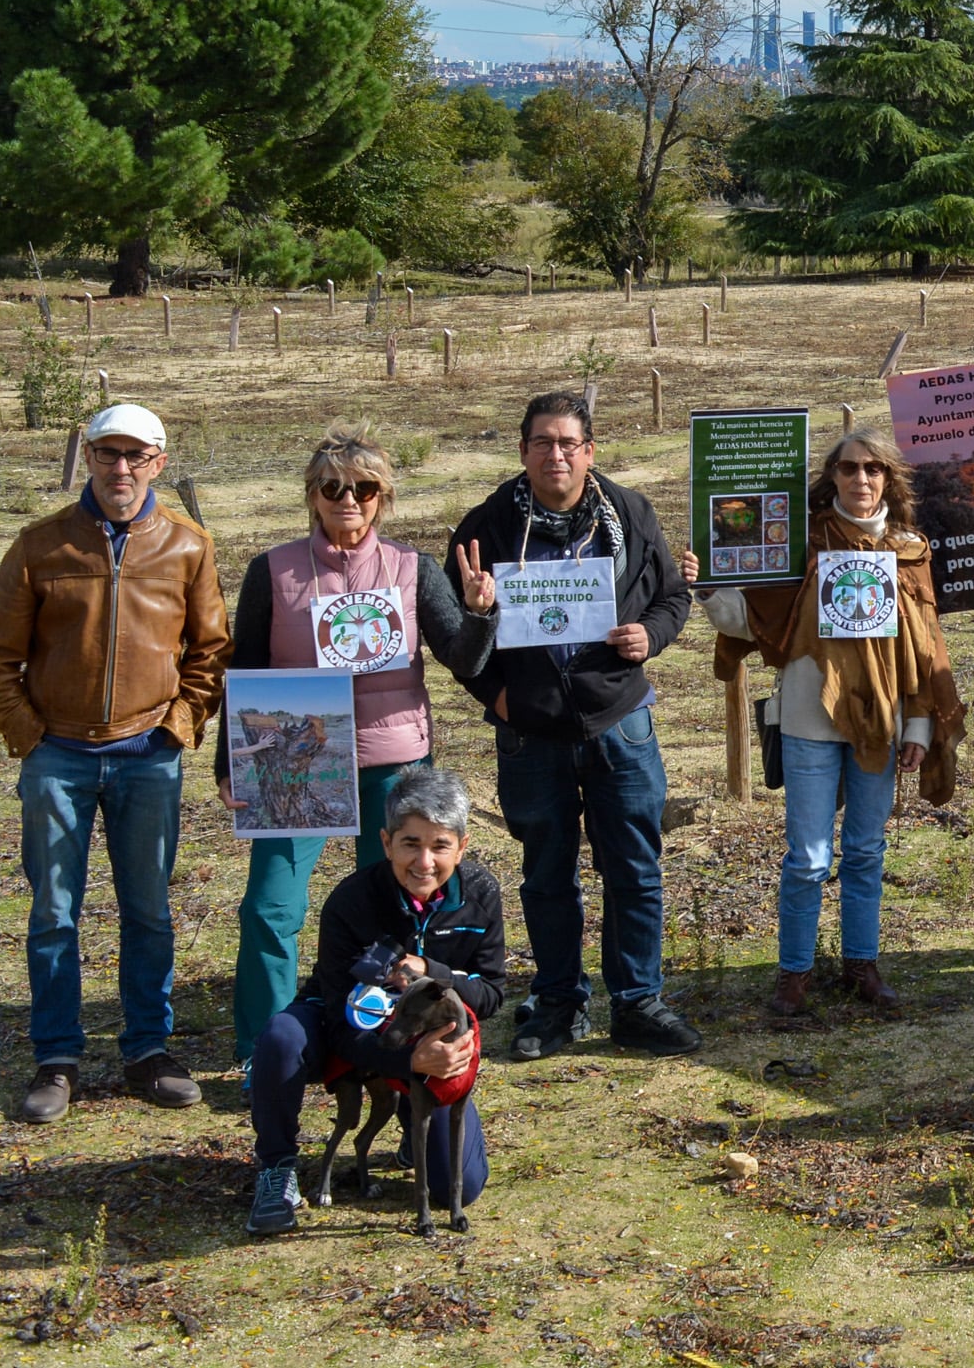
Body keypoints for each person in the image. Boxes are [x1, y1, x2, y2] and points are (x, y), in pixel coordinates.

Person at [0, 402, 230, 1125]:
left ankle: (148, 1049)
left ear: (159, 460)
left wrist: (180, 725)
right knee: (54, 911)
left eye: (136, 455)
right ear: (86, 457)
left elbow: (211, 649)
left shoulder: (187, 545)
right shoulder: (40, 545)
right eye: (107, 454)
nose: (121, 468)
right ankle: (57, 1058)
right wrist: (28, 734)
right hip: (57, 756)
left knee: (147, 910)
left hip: (148, 753)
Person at [225, 432, 497, 1068]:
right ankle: (262, 1051)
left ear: (384, 499)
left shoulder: (412, 567)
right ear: (313, 497)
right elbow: (246, 668)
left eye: (364, 488)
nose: (348, 499)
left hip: (395, 761)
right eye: (333, 487)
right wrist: (226, 762)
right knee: (271, 909)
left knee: (387, 917)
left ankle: (382, 1040)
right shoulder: (274, 568)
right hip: (298, 765)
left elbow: (463, 657)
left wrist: (482, 613)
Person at [442, 393, 697, 1060]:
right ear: (522, 450)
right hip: (530, 732)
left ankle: (638, 1001)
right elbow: (453, 638)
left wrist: (653, 634)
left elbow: (673, 595)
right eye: (542, 442)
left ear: (589, 450)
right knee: (547, 874)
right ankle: (558, 1000)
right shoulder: (485, 529)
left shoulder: (630, 515)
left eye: (568, 443)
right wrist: (494, 692)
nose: (556, 454)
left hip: (621, 721)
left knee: (635, 867)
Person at [689, 428, 967, 1018]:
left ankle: (861, 964)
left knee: (866, 851)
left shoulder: (910, 549)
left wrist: (918, 728)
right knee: (808, 857)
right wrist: (710, 586)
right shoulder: (799, 543)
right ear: (831, 476)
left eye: (872, 469)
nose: (860, 479)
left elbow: (924, 651)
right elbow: (753, 620)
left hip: (884, 725)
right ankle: (794, 973)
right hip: (809, 719)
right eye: (848, 469)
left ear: (888, 477)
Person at [244, 766, 503, 1236]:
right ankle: (275, 1169)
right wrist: (408, 1058)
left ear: (462, 847)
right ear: (386, 842)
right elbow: (339, 1023)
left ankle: (411, 1121)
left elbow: (490, 994)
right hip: (352, 1027)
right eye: (410, 844)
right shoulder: (351, 900)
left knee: (462, 1187)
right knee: (280, 1037)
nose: (424, 862)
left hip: (433, 1049)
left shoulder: (481, 895)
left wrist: (434, 974)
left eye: (440, 846)